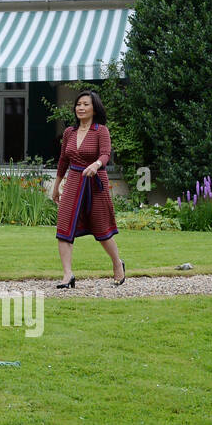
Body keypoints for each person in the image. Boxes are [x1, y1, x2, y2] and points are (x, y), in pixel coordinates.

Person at [49, 89, 124, 289]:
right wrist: (56, 187)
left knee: (102, 229)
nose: (81, 108)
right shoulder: (69, 133)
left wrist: (96, 164)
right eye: (78, 104)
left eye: (86, 104)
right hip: (73, 180)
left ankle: (117, 264)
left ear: (94, 108)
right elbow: (63, 161)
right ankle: (67, 275)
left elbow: (106, 154)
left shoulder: (101, 131)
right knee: (63, 226)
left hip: (95, 183)